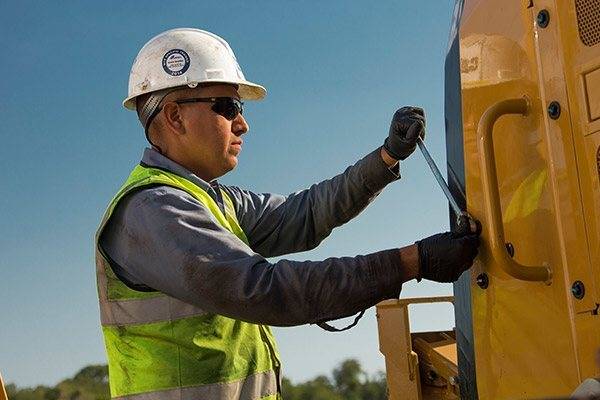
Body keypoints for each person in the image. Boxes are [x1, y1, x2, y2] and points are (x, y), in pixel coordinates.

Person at [95, 28, 480, 400]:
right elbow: (265, 291)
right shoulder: (154, 210)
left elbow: (306, 213)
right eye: (228, 107)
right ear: (175, 117)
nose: (243, 124)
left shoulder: (212, 201)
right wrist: (412, 262)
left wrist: (387, 157)